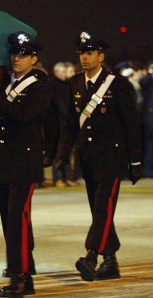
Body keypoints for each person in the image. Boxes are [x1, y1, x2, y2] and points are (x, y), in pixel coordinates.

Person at [56, 32, 143, 282]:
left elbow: (131, 124)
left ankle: (92, 255)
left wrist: (135, 161)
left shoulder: (117, 84)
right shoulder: (74, 83)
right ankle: (111, 262)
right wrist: (63, 154)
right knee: (99, 212)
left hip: (112, 158)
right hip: (88, 159)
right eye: (82, 53)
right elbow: (72, 124)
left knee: (102, 210)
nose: (85, 57)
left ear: (101, 56)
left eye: (90, 53)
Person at [0, 31, 54, 296]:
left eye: (23, 54)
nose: (17, 58)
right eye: (14, 53)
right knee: (8, 221)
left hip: (24, 162)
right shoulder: (8, 85)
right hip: (3, 161)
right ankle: (23, 267)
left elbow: (23, 116)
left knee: (17, 221)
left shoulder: (40, 87)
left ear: (34, 58)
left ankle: (21, 277)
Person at [140, 61, 153, 177]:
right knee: (149, 146)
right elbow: (143, 83)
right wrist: (150, 73)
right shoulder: (148, 83)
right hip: (150, 119)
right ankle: (149, 171)